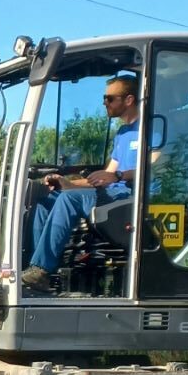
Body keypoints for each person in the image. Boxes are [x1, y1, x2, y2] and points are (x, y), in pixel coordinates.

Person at [23, 75, 142, 292]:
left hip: (131, 198)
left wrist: (119, 177)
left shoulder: (149, 129)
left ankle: (41, 268)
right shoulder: (123, 134)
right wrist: (67, 183)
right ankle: (39, 271)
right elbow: (105, 176)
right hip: (110, 194)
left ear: (129, 100)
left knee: (69, 200)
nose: (104, 103)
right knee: (46, 201)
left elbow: (157, 166)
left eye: (109, 98)